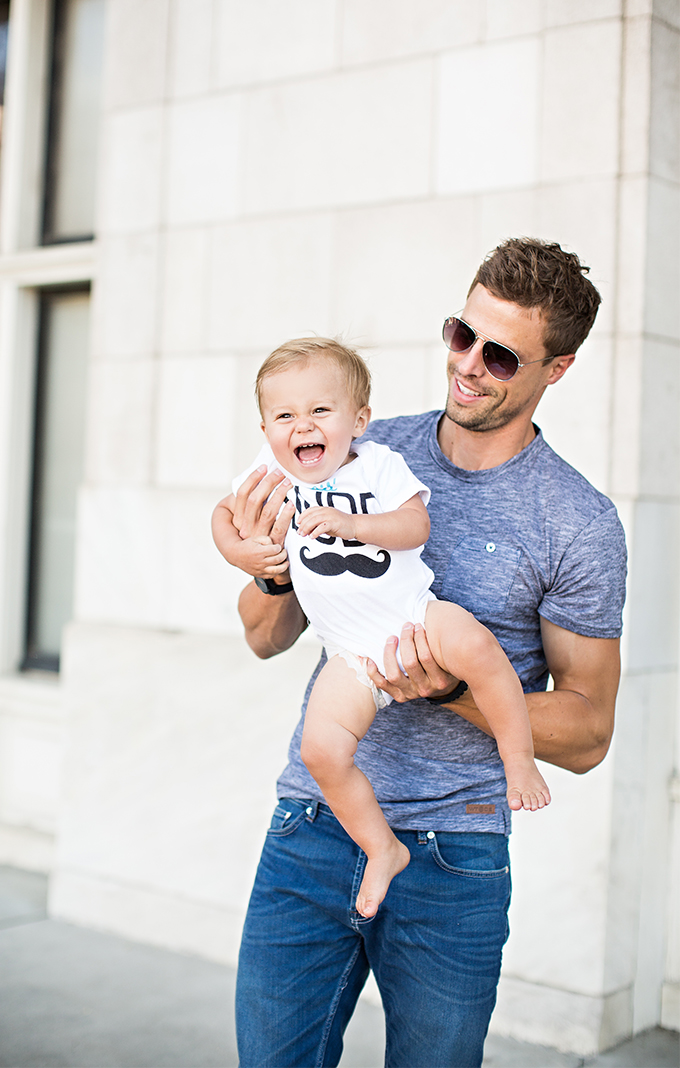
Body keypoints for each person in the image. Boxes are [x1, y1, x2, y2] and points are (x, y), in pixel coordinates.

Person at [223, 239, 627, 1068]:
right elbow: (266, 638)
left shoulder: (577, 523)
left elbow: (589, 733)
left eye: (502, 354)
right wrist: (265, 571)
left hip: (457, 855)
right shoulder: (357, 448)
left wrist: (448, 691)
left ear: (558, 368)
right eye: (460, 335)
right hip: (312, 823)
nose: (469, 366)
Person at [213, 339, 551, 919]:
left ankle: (518, 757)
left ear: (358, 421)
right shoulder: (270, 476)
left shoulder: (379, 464)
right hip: (350, 654)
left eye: (321, 411)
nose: (302, 427)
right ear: (265, 427)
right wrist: (242, 555)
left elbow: (414, 524)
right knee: (322, 751)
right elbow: (222, 516)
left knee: (478, 649)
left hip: (413, 616)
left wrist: (351, 522)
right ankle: (380, 847)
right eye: (284, 416)